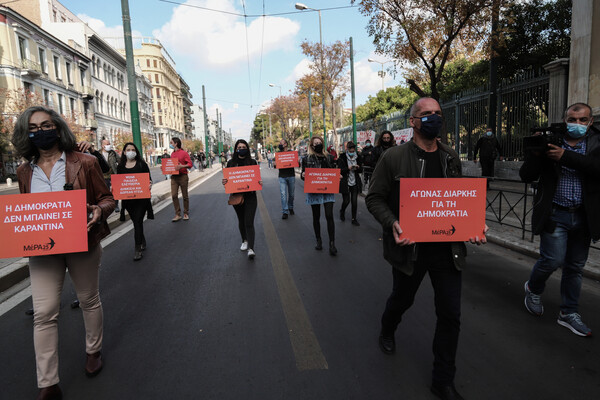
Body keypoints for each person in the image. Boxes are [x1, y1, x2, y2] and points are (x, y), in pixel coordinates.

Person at [366, 97, 487, 400]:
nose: (434, 118)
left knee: (450, 315)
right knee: (401, 300)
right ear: (413, 122)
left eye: (438, 113)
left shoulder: (450, 157)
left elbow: (455, 202)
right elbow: (374, 198)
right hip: (411, 252)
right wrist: (392, 222)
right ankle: (388, 327)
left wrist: (473, 224)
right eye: (426, 114)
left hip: (447, 251)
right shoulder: (393, 157)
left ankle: (442, 380)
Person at [12, 106, 114, 400]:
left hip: (82, 242)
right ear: (26, 134)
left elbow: (107, 198)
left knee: (88, 299)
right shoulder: (23, 171)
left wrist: (98, 211)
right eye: (34, 127)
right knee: (43, 313)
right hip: (43, 251)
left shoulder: (84, 162)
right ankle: (47, 382)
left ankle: (93, 351)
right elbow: (27, 212)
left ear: (57, 127)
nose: (41, 131)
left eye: (46, 125)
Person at [520, 102, 599, 337]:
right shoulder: (551, 141)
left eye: (582, 120)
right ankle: (533, 288)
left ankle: (568, 313)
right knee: (551, 260)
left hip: (584, 215)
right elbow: (527, 175)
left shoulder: (596, 143)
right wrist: (536, 153)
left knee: (575, 267)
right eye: (572, 120)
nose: (577, 124)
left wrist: (565, 156)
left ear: (590, 122)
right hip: (556, 213)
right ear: (565, 120)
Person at [222, 139, 263, 259]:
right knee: (241, 220)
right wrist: (225, 182)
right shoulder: (230, 163)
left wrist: (259, 182)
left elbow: (257, 179)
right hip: (237, 196)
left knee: (249, 222)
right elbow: (227, 180)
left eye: (244, 146)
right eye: (239, 147)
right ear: (235, 149)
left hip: (250, 196)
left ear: (247, 149)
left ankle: (251, 248)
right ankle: (244, 240)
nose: (241, 148)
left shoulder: (252, 162)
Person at [117, 142, 154, 261]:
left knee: (138, 222)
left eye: (132, 149)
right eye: (128, 149)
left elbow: (149, 180)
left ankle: (137, 249)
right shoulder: (120, 166)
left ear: (136, 152)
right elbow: (119, 182)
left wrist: (149, 185)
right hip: (128, 202)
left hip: (141, 200)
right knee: (136, 222)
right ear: (124, 152)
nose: (130, 151)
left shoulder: (142, 164)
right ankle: (142, 240)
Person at [301, 135, 337, 255]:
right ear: (311, 146)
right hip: (314, 190)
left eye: (319, 142)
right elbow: (303, 173)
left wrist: (338, 176)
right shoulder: (307, 159)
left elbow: (334, 172)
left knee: (329, 215)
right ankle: (319, 240)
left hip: (328, 189)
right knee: (316, 216)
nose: (317, 144)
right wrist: (303, 176)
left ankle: (332, 243)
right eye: (315, 143)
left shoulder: (330, 157)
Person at [338, 141, 363, 225]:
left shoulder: (358, 157)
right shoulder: (342, 157)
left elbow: (361, 169)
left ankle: (354, 219)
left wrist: (358, 167)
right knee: (346, 201)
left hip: (355, 181)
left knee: (354, 201)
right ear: (347, 149)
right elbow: (340, 170)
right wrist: (348, 168)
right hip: (345, 181)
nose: (352, 152)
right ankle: (342, 211)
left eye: (353, 151)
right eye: (350, 151)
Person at [169, 137, 193, 222]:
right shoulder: (172, 154)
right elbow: (171, 165)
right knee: (174, 195)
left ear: (176, 143)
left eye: (171, 142)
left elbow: (190, 164)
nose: (170, 144)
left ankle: (185, 212)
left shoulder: (184, 153)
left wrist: (181, 166)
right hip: (174, 177)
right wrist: (165, 168)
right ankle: (177, 214)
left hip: (183, 176)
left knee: (185, 195)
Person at [276, 139, 295, 219]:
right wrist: (274, 163)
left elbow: (297, 163)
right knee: (283, 195)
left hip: (291, 175)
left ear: (286, 144)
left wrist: (297, 161)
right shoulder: (278, 154)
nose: (280, 144)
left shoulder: (291, 153)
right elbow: (275, 165)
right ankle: (285, 211)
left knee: (291, 194)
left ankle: (290, 207)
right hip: (282, 176)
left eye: (282, 143)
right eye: (279, 143)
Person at [100, 138, 119, 212]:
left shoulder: (113, 153)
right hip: (102, 177)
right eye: (107, 144)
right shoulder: (99, 153)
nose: (109, 146)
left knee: (115, 192)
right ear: (103, 146)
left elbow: (120, 161)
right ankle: (106, 207)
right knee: (105, 193)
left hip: (113, 175)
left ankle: (116, 205)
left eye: (109, 144)